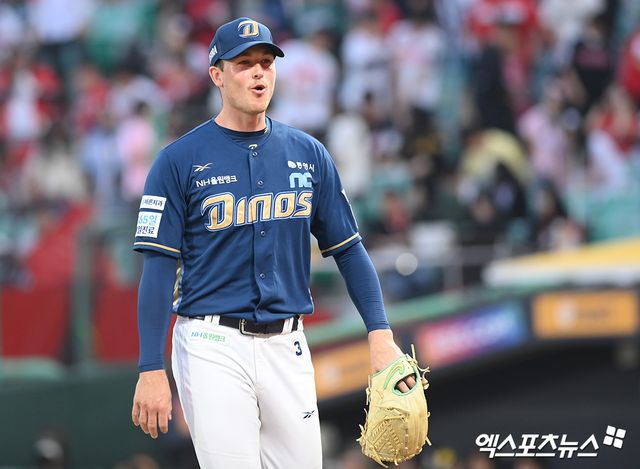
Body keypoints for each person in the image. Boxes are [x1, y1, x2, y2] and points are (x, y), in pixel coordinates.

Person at [130, 17, 414, 469]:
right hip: (210, 341)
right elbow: (158, 268)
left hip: (288, 342)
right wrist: (150, 367)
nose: (258, 72)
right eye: (244, 64)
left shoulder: (308, 153)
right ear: (217, 74)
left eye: (266, 62)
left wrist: (380, 335)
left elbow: (348, 249)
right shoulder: (178, 160)